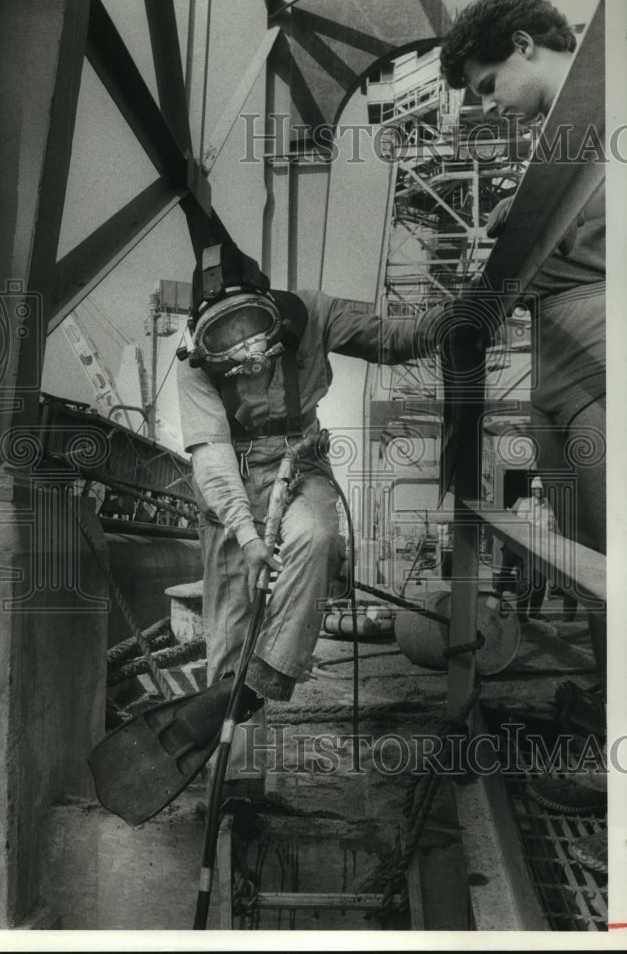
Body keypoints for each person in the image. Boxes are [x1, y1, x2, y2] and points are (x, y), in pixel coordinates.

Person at [176, 240, 451, 795]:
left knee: (318, 536)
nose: (244, 349)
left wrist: (452, 323)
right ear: (203, 335)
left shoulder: (314, 312)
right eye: (224, 340)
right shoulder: (192, 368)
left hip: (300, 463)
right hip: (232, 482)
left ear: (268, 305)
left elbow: (389, 339)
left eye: (251, 327)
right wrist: (249, 535)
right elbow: (212, 456)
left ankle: (266, 678)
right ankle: (237, 786)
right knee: (230, 632)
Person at [440, 0, 606, 665]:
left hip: (599, 341)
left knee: (614, 546)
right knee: (580, 553)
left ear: (522, 45)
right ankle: (610, 700)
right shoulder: (551, 150)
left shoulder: (608, 102)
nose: (486, 105)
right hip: (552, 356)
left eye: (485, 86)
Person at [496, 475, 559, 622]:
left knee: (540, 582)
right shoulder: (525, 505)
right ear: (532, 490)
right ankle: (520, 614)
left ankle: (534, 612)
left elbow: (555, 528)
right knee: (526, 581)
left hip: (543, 549)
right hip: (528, 547)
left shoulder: (549, 506)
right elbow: (519, 526)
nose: (538, 491)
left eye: (541, 489)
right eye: (536, 489)